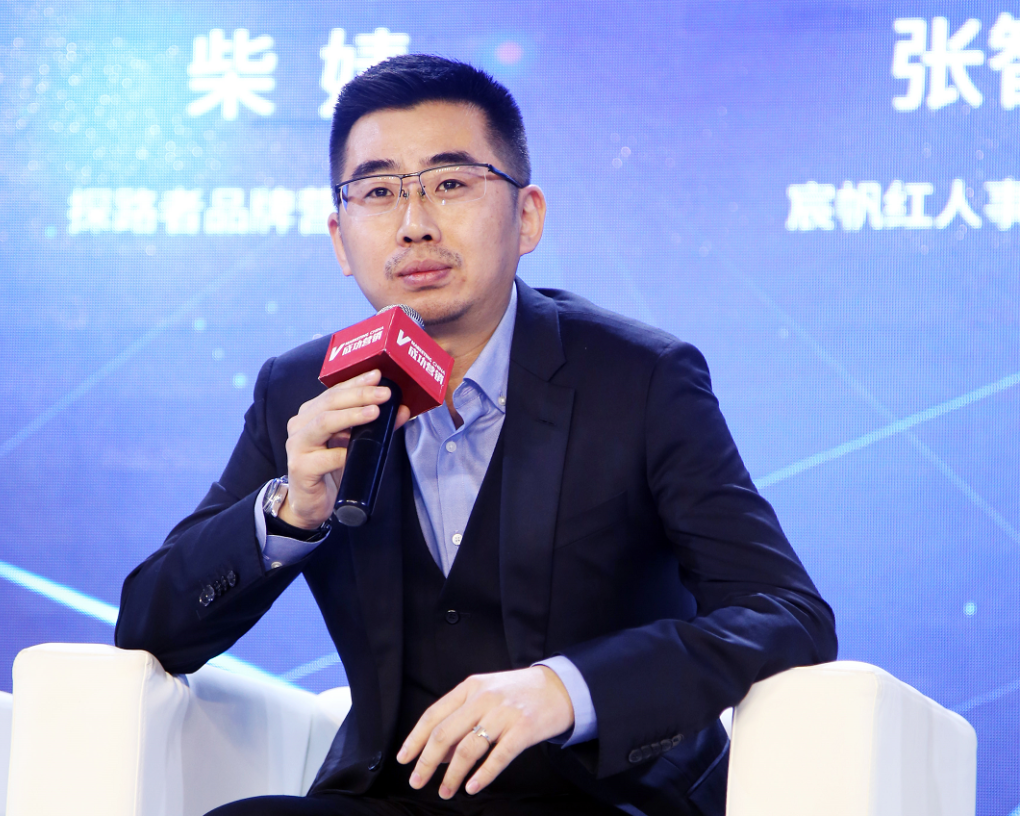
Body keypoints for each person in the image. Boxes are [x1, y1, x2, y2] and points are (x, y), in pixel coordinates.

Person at [115, 54, 837, 816]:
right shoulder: (303, 390)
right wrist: (289, 512)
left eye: (451, 183)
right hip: (395, 799)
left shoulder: (642, 378)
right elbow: (150, 624)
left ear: (527, 217)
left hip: (605, 800)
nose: (415, 223)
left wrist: (568, 689)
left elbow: (785, 611)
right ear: (339, 238)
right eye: (379, 192)